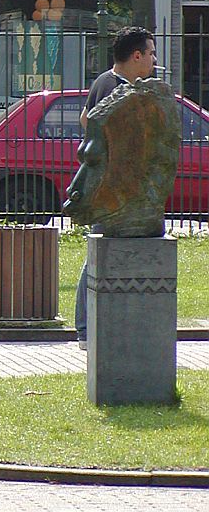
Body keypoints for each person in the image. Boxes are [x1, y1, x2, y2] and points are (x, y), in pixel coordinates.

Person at [75, 26, 157, 349]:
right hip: (111, 188)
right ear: (136, 56)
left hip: (108, 184)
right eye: (150, 53)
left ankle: (88, 324)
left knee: (99, 249)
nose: (153, 59)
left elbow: (85, 119)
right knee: (99, 251)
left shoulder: (101, 82)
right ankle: (84, 327)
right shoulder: (119, 91)